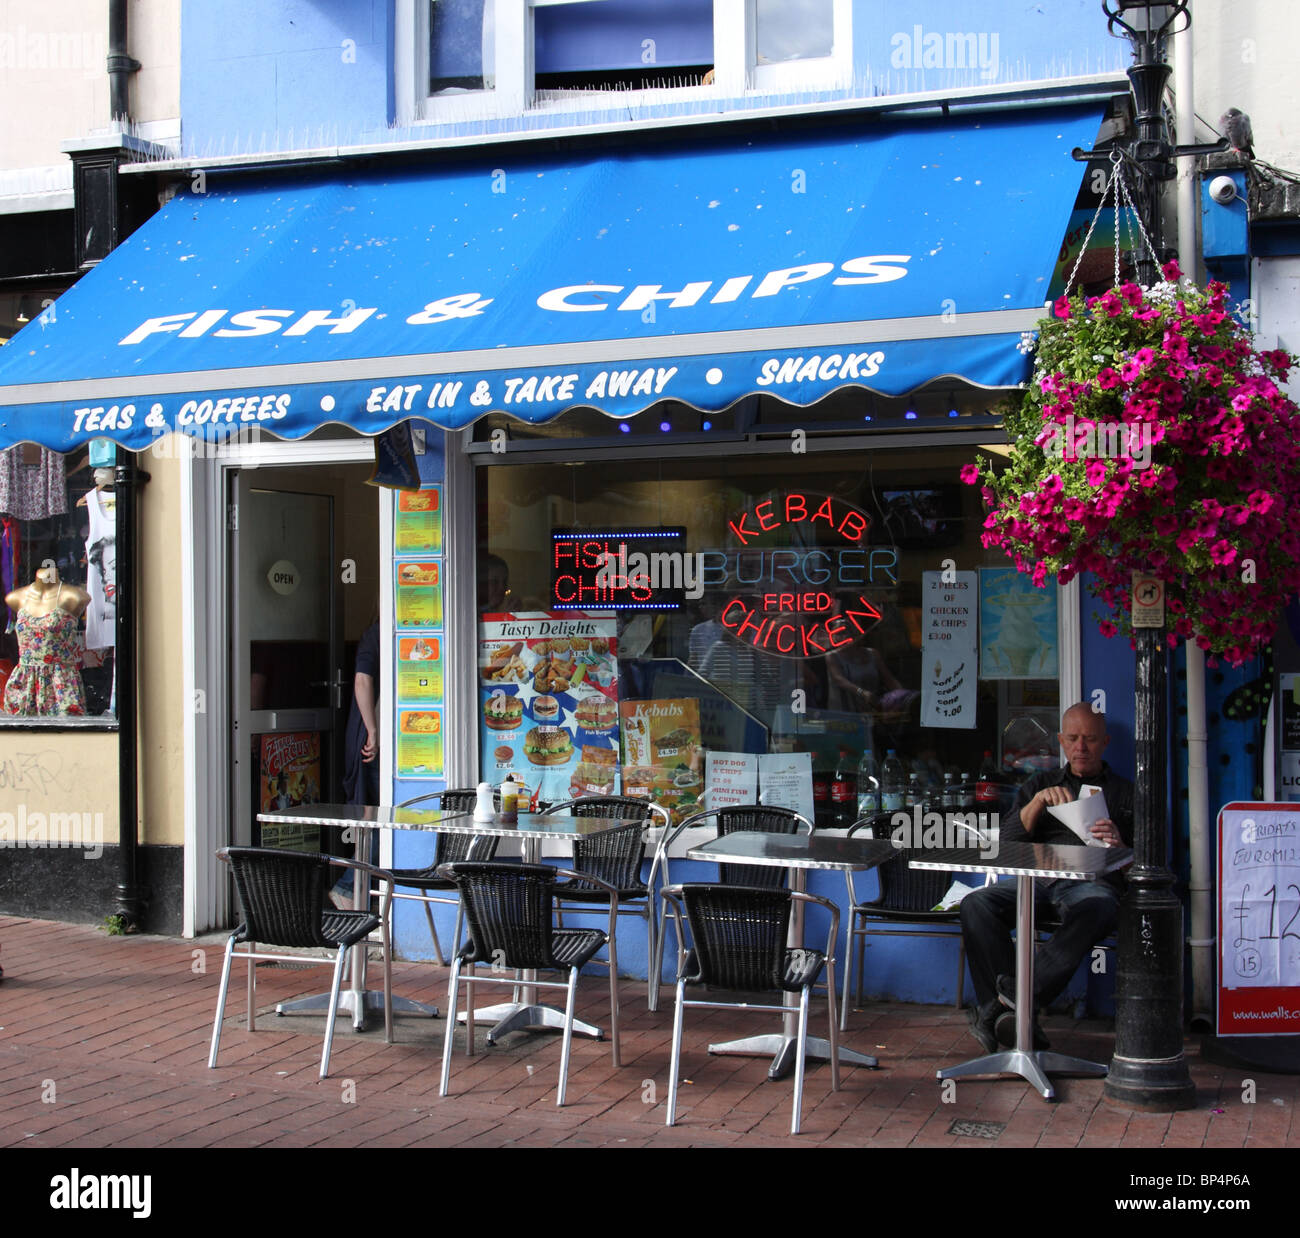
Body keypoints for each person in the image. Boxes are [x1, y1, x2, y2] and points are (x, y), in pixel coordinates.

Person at [960, 702, 1133, 1052]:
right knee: (976, 903)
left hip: (1092, 886)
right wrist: (1037, 803)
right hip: (1038, 883)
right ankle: (1015, 1018)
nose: (1081, 747)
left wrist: (1120, 846)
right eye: (1073, 738)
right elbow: (1006, 844)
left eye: (1090, 739)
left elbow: (1149, 867)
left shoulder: (1126, 793)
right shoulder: (1041, 783)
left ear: (1105, 742)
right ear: (1061, 741)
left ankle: (1007, 1005)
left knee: (1098, 907)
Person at [331, 617, 380, 906]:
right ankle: (348, 889)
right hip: (377, 745)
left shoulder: (378, 632)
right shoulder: (378, 632)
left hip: (388, 744)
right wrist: (372, 729)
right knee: (378, 823)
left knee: (374, 822)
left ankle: (354, 891)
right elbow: (362, 680)